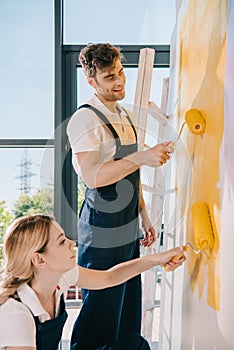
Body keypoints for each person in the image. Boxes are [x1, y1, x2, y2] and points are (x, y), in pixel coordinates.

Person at [66, 43, 175, 349]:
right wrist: (142, 158)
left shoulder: (124, 115)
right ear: (91, 81)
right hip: (102, 224)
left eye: (121, 72)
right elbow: (93, 177)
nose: (119, 82)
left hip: (128, 221)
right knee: (102, 307)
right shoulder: (85, 119)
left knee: (127, 305)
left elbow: (129, 172)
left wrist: (144, 215)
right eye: (109, 77)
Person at [0, 214, 185, 350]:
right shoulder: (16, 314)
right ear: (39, 260)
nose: (72, 243)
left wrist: (159, 259)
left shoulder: (60, 277)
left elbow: (109, 277)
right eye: (61, 242)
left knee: (134, 346)